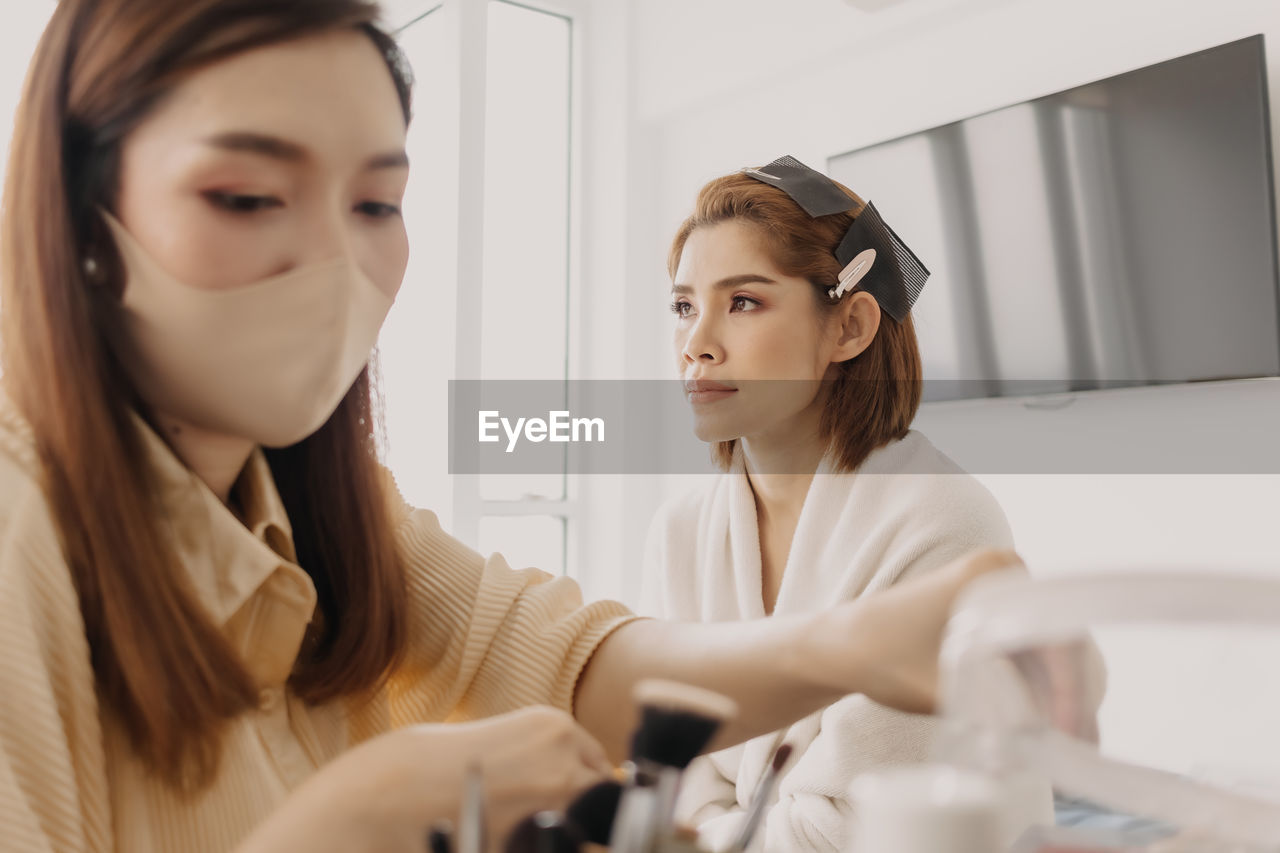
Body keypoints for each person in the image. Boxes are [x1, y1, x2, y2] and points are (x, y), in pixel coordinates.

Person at [0, 3, 1022, 852]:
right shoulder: (22, 545)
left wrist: (861, 641)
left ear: (848, 324)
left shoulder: (329, 516)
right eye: (246, 195)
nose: (335, 263)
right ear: (80, 212)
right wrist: (350, 822)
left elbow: (575, 668)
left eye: (375, 203)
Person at [641, 161, 1014, 851]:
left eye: (743, 302)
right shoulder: (682, 531)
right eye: (684, 306)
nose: (695, 344)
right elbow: (674, 776)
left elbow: (851, 829)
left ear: (849, 326)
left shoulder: (943, 523)